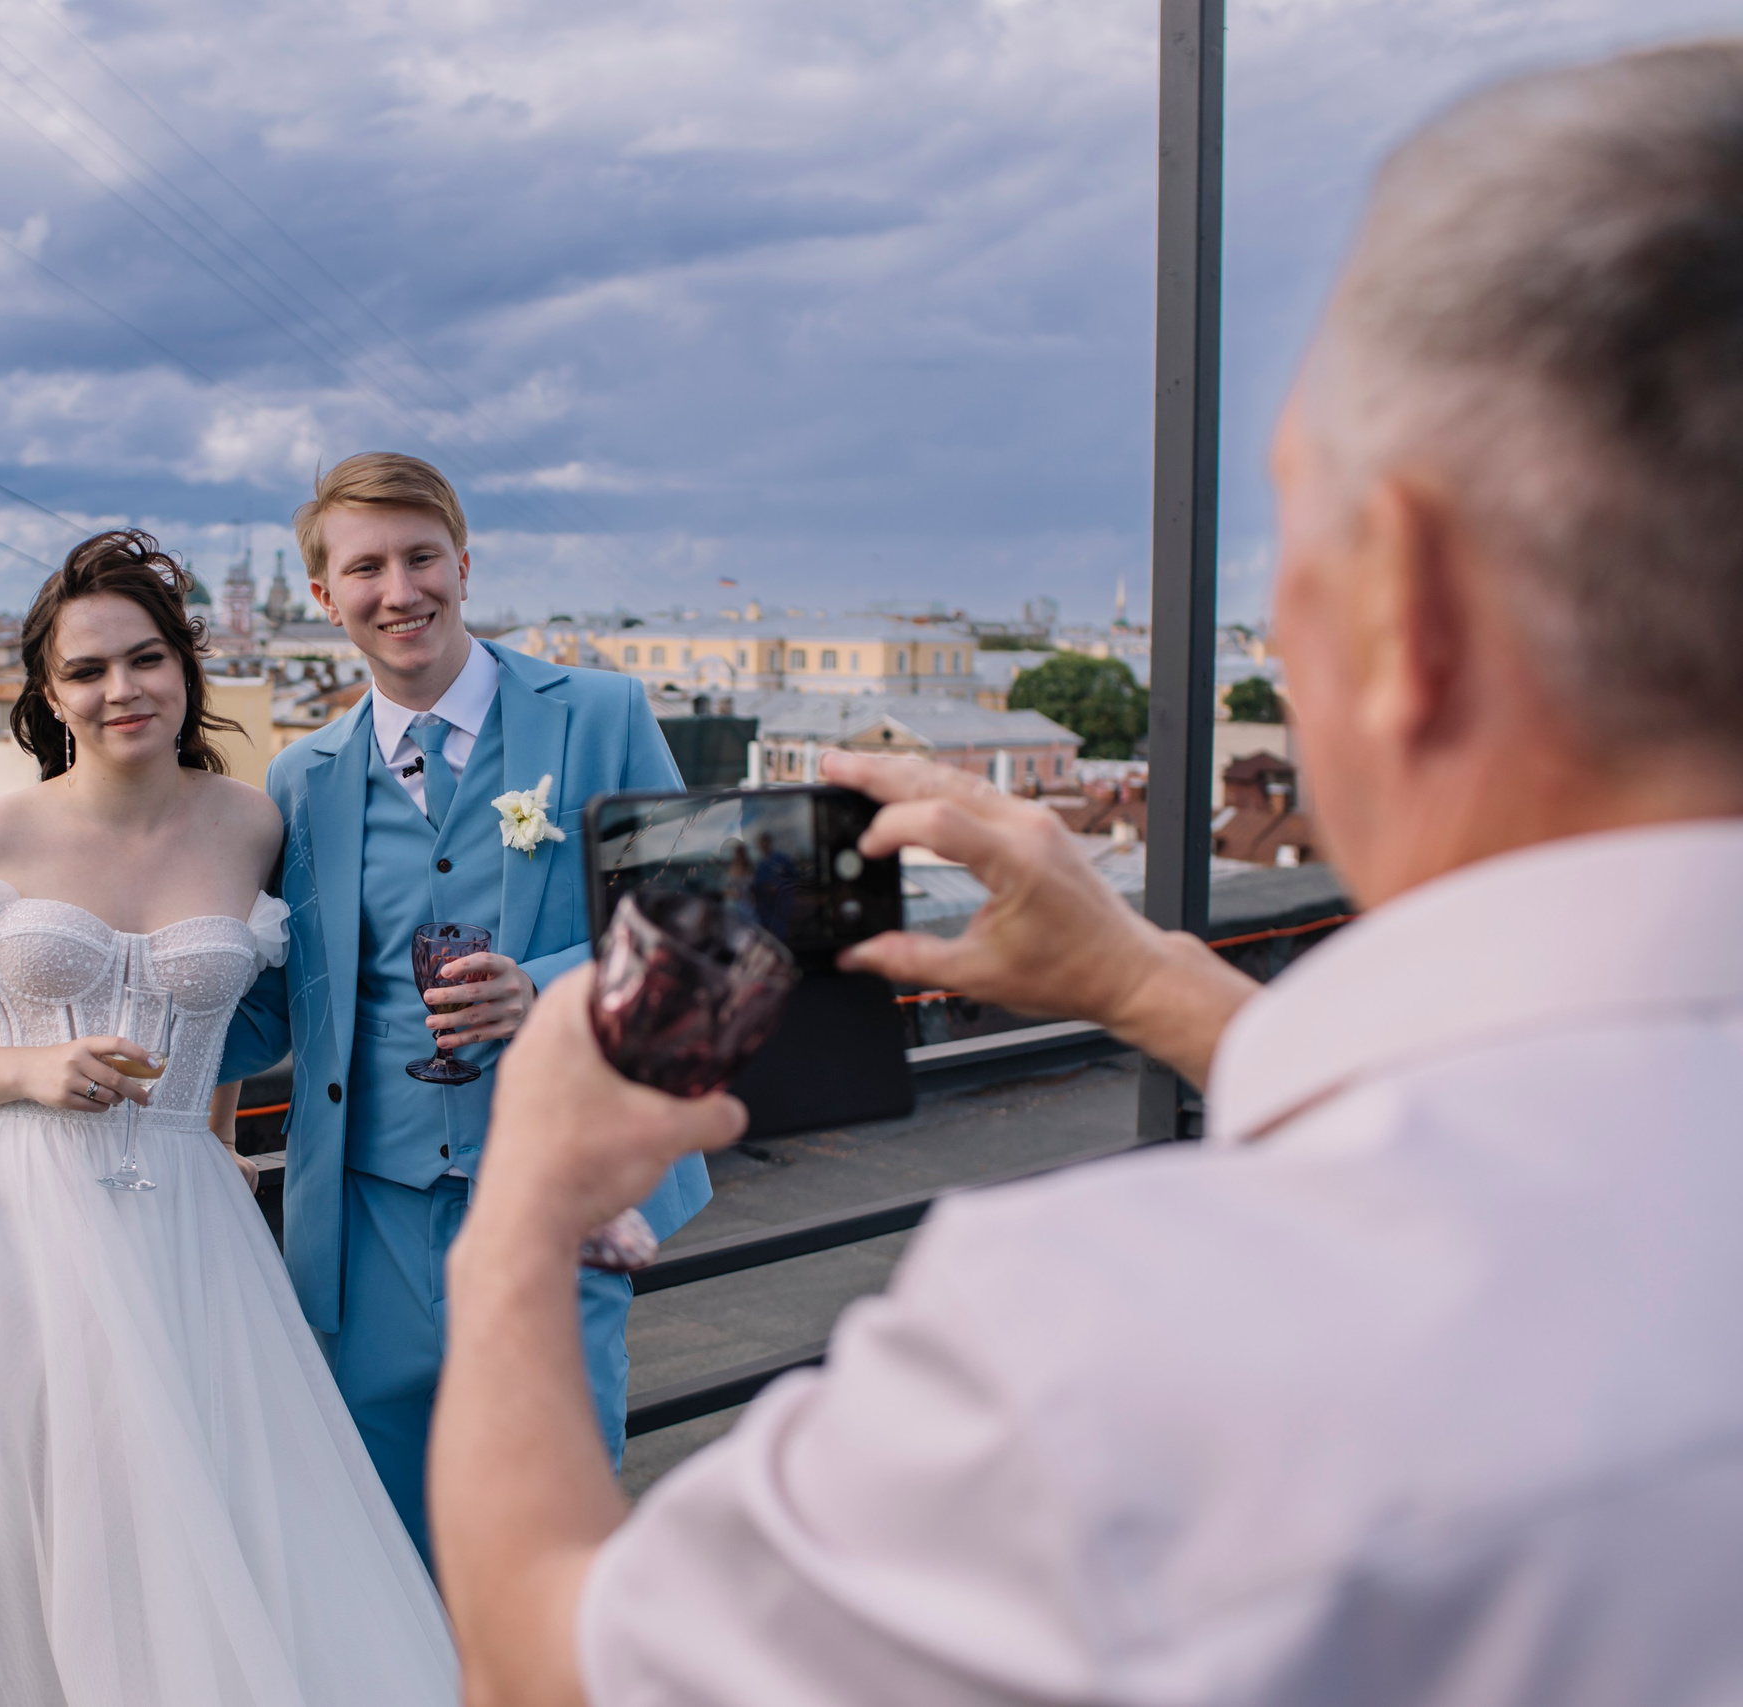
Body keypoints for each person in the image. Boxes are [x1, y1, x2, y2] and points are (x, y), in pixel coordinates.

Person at [430, 41, 1743, 1707]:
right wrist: (1145, 980)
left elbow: (547, 1665)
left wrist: (523, 1212)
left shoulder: (1112, 1356)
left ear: (1405, 599)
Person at [0, 531, 456, 1705]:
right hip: (13, 1216)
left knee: (218, 1505)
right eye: (86, 671)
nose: (120, 690)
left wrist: (219, 1129)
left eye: (144, 660)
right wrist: (26, 1075)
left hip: (186, 1210)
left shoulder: (252, 825)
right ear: (48, 693)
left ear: (186, 668)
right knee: (53, 1525)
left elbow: (252, 1004)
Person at [218, 452, 713, 1558]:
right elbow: (276, 1011)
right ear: (323, 595)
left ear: (463, 564)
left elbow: (707, 928)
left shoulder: (600, 714)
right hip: (366, 1218)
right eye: (366, 568)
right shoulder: (303, 778)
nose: (399, 591)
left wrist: (549, 982)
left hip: (556, 1199)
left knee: (552, 1535)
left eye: (420, 557)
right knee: (387, 1549)